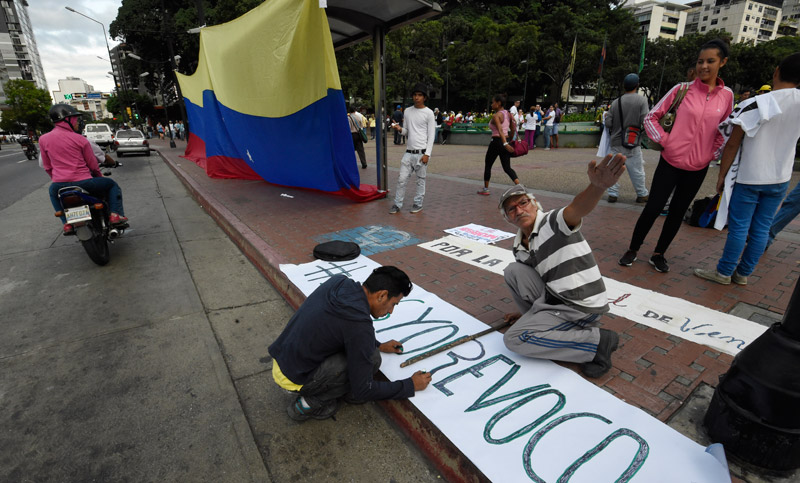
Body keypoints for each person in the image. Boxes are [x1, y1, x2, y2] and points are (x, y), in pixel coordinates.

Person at [499, 153, 627, 378]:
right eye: (511, 209)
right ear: (507, 218)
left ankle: (597, 343)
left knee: (514, 340)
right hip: (556, 299)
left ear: (535, 204)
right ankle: (537, 321)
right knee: (513, 271)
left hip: (579, 305)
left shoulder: (552, 222)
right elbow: (532, 280)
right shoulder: (519, 246)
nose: (519, 210)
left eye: (523, 202)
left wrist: (596, 187)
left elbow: (577, 209)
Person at [619, 39, 734, 273]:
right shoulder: (682, 90)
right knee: (653, 208)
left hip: (698, 166)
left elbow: (725, 129)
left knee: (677, 212)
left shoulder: (727, 96)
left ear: (722, 62)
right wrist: (666, 141)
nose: (704, 66)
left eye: (710, 61)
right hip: (670, 161)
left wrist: (712, 154)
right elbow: (650, 117)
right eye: (701, 61)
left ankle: (659, 254)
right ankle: (633, 248)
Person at [268, 266, 432, 421]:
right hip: (294, 378)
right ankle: (308, 404)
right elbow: (364, 389)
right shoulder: (359, 326)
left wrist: (378, 345)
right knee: (372, 361)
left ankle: (341, 390)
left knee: (369, 352)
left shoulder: (339, 282)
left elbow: (339, 327)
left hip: (283, 359)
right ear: (382, 295)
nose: (391, 311)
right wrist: (409, 385)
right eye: (393, 304)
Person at [694, 53, 800, 285]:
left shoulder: (756, 103)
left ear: (776, 71)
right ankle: (743, 274)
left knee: (739, 227)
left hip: (750, 176)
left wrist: (722, 175)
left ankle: (723, 272)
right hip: (780, 177)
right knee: (762, 228)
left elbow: (732, 143)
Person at [40, 104, 128, 235]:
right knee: (112, 185)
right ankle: (115, 215)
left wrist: (57, 179)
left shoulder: (43, 139)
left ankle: (67, 223)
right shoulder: (80, 139)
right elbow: (92, 164)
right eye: (75, 119)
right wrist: (99, 176)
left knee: (52, 192)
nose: (77, 123)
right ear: (67, 120)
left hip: (59, 184)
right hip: (84, 182)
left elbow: (47, 166)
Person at [389, 83, 436, 214]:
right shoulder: (408, 111)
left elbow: (431, 136)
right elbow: (407, 131)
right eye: (415, 95)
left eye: (420, 95)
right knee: (401, 179)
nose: (417, 97)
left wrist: (428, 154)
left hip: (422, 153)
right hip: (408, 153)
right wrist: (399, 129)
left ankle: (418, 203)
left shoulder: (429, 113)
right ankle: (397, 204)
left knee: (420, 180)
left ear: (424, 97)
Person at [604, 73, 650, 204]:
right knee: (637, 170)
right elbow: (645, 121)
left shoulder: (615, 102)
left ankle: (612, 194)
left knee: (613, 168)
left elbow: (608, 124)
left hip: (616, 142)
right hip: (633, 141)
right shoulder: (642, 101)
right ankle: (642, 194)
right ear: (637, 85)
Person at [477, 94, 519, 196]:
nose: (492, 104)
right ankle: (520, 187)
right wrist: (509, 140)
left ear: (498, 103)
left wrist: (504, 143)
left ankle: (486, 189)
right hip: (505, 140)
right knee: (507, 167)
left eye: (493, 102)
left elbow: (499, 129)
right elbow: (513, 128)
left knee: (488, 164)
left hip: (496, 141)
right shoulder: (509, 114)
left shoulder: (496, 115)